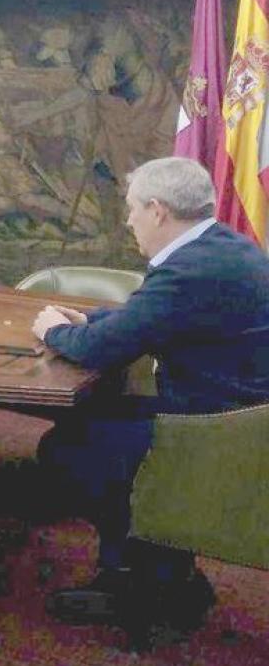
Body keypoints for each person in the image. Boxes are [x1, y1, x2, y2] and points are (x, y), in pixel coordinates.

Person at [30, 157, 269, 633]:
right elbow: (151, 317)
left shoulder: (188, 270)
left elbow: (97, 351)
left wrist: (53, 330)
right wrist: (92, 319)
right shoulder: (224, 247)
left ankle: (142, 583)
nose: (128, 220)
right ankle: (164, 572)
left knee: (68, 449)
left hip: (214, 431)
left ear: (158, 211)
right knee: (95, 419)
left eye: (132, 209)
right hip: (238, 415)